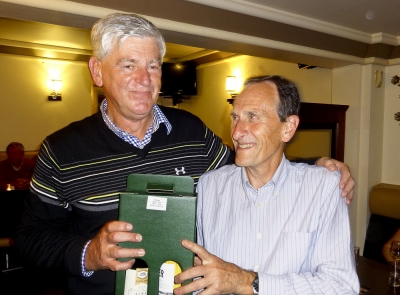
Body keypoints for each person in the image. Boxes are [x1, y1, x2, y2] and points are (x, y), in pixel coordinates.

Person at [15, 14, 355, 295]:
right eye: (128, 64)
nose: (143, 79)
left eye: (153, 65)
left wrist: (317, 167)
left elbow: (251, 164)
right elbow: (30, 239)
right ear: (97, 70)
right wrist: (90, 254)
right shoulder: (61, 150)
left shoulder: (192, 132)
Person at [174, 76, 359, 295]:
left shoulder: (323, 187)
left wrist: (247, 282)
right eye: (235, 118)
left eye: (253, 117)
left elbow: (341, 286)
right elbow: (201, 273)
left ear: (288, 128)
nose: (236, 132)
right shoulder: (210, 186)